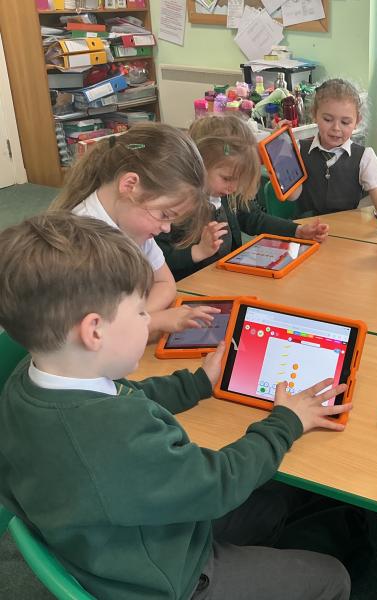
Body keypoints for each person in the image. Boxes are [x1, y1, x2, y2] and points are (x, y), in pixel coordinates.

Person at [0, 212, 352, 600]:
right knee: (334, 576)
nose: (149, 321)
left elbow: (124, 393)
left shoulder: (27, 382)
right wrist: (286, 422)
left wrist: (197, 383)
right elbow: (219, 482)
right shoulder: (120, 435)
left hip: (110, 539)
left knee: (271, 505)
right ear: (94, 331)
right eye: (141, 312)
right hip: (168, 578)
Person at [51, 122, 217, 335]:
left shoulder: (133, 228)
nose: (167, 228)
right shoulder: (80, 244)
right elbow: (95, 334)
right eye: (164, 215)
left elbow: (165, 283)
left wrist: (138, 319)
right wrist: (154, 322)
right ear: (130, 185)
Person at [156, 114, 329, 281]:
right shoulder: (174, 207)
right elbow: (157, 259)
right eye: (227, 178)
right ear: (198, 164)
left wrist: (298, 231)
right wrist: (197, 251)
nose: (233, 187)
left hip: (226, 279)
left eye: (239, 180)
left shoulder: (225, 194)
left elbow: (253, 218)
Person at [287, 78, 377, 220]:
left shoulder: (365, 157)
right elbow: (293, 195)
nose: (336, 128)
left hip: (346, 227)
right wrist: (281, 147)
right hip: (307, 227)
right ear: (314, 114)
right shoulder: (298, 149)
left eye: (345, 122)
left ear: (357, 121)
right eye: (328, 120)